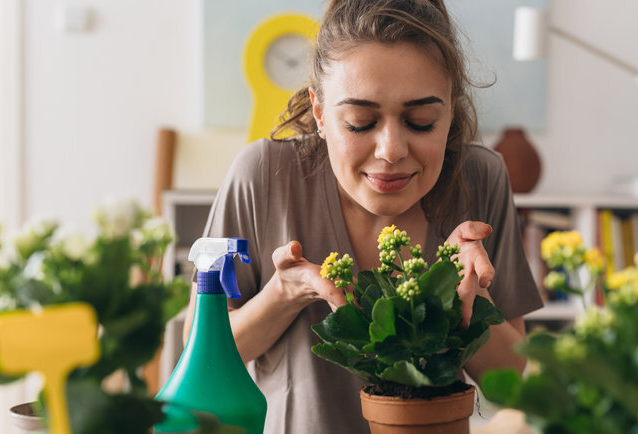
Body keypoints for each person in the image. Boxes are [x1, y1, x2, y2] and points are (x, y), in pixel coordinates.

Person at [184, 0, 543, 432]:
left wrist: (465, 297)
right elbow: (196, 358)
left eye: (422, 121)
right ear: (319, 112)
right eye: (359, 122)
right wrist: (282, 295)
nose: (391, 150)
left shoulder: (481, 177)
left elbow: (510, 385)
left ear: (451, 109)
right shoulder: (261, 175)